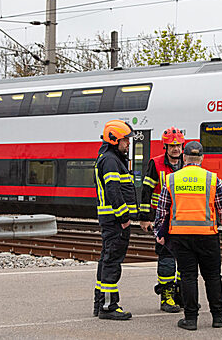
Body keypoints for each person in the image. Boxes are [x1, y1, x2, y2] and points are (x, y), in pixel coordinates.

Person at [154, 141, 222, 331]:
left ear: (184, 157)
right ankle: (219, 316)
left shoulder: (172, 179)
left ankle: (190, 319)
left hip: (180, 236)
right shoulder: (212, 179)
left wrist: (159, 232)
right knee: (213, 277)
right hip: (207, 236)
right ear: (202, 158)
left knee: (188, 277)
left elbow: (162, 210)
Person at [92, 119, 138, 320]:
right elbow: (113, 190)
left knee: (106, 260)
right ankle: (109, 306)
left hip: (110, 219)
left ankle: (100, 302)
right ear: (114, 140)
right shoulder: (111, 161)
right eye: (125, 140)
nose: (128, 143)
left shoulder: (109, 158)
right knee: (112, 262)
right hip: (115, 220)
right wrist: (124, 217)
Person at [139, 126, 185, 313]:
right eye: (172, 146)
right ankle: (167, 297)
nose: (175, 149)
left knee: (185, 258)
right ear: (165, 146)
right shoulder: (156, 163)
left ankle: (182, 296)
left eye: (178, 145)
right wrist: (144, 218)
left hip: (183, 218)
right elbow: (146, 191)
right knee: (167, 258)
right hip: (163, 218)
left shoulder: (187, 163)